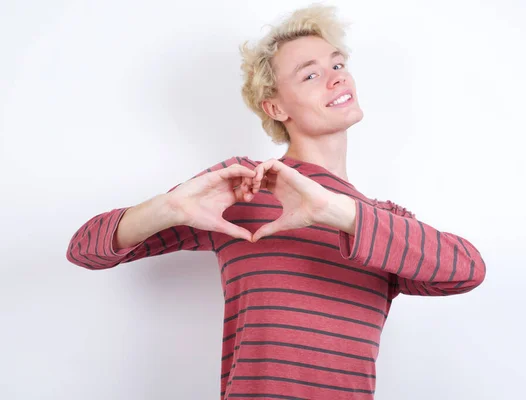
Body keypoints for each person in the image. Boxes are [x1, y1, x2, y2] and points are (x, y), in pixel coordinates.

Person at [66, 4, 486, 399]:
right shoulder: (245, 188)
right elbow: (84, 250)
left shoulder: (382, 222)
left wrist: (337, 212)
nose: (337, 77)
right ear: (275, 106)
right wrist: (168, 207)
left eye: (338, 65)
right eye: (310, 74)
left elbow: (466, 270)